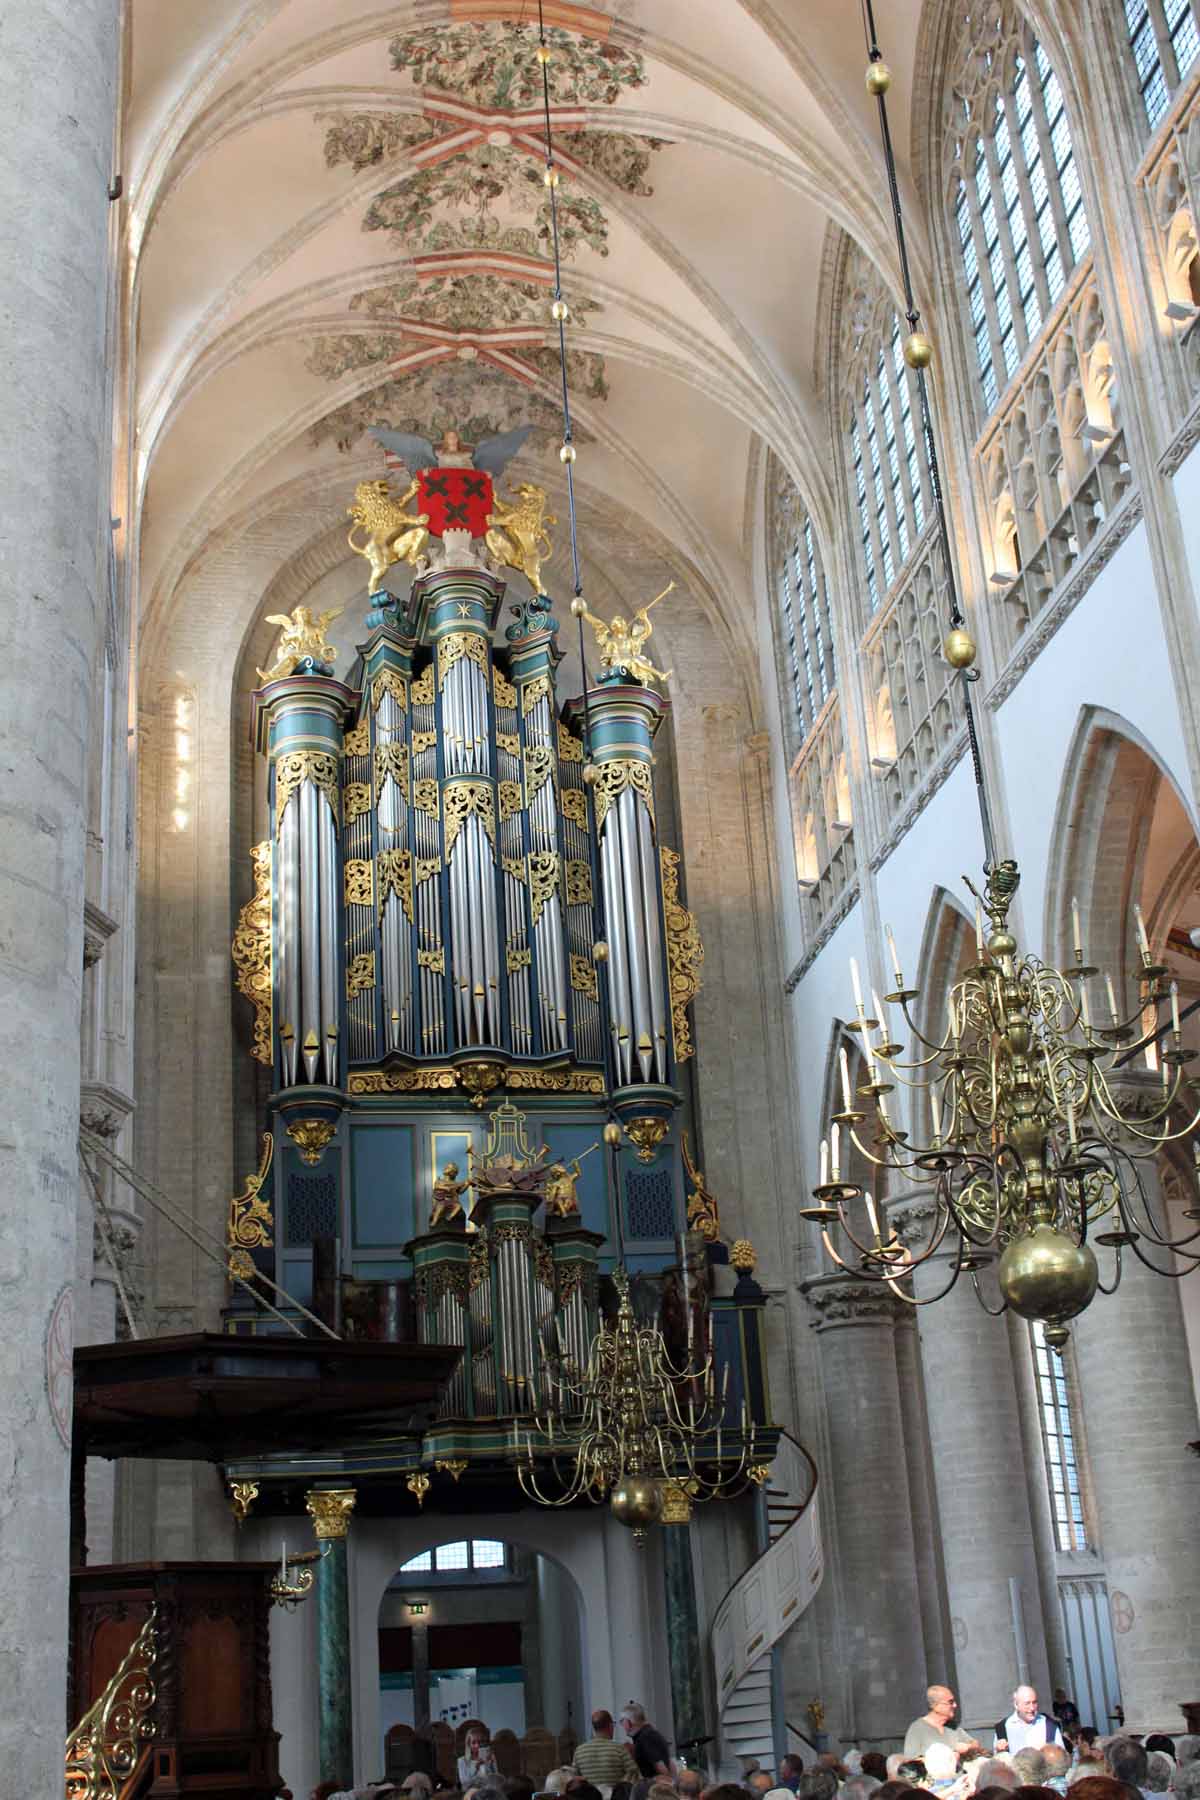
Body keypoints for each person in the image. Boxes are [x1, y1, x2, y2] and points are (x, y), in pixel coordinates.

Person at [905, 1688, 980, 1760]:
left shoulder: (951, 1726)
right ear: (935, 1706)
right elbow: (910, 1761)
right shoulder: (917, 1728)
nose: (955, 1705)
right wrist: (947, 1756)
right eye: (950, 1702)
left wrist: (968, 1747)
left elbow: (975, 1744)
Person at [574, 1711, 640, 1789]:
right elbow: (633, 1773)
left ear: (594, 1728)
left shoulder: (579, 1751)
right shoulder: (619, 1749)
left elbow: (575, 1778)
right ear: (610, 1726)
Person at [996, 1690, 1064, 1754]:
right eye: (1027, 1703)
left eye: (1034, 1702)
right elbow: (998, 1759)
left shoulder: (1049, 1725)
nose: (1032, 1708)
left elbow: (1061, 1757)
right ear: (1016, 1705)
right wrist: (1000, 1751)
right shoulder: (1003, 1727)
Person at [620, 1705, 674, 1781]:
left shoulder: (645, 1738)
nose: (622, 1725)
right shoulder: (649, 1734)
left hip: (655, 1789)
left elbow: (662, 1768)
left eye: (622, 1721)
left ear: (628, 1722)